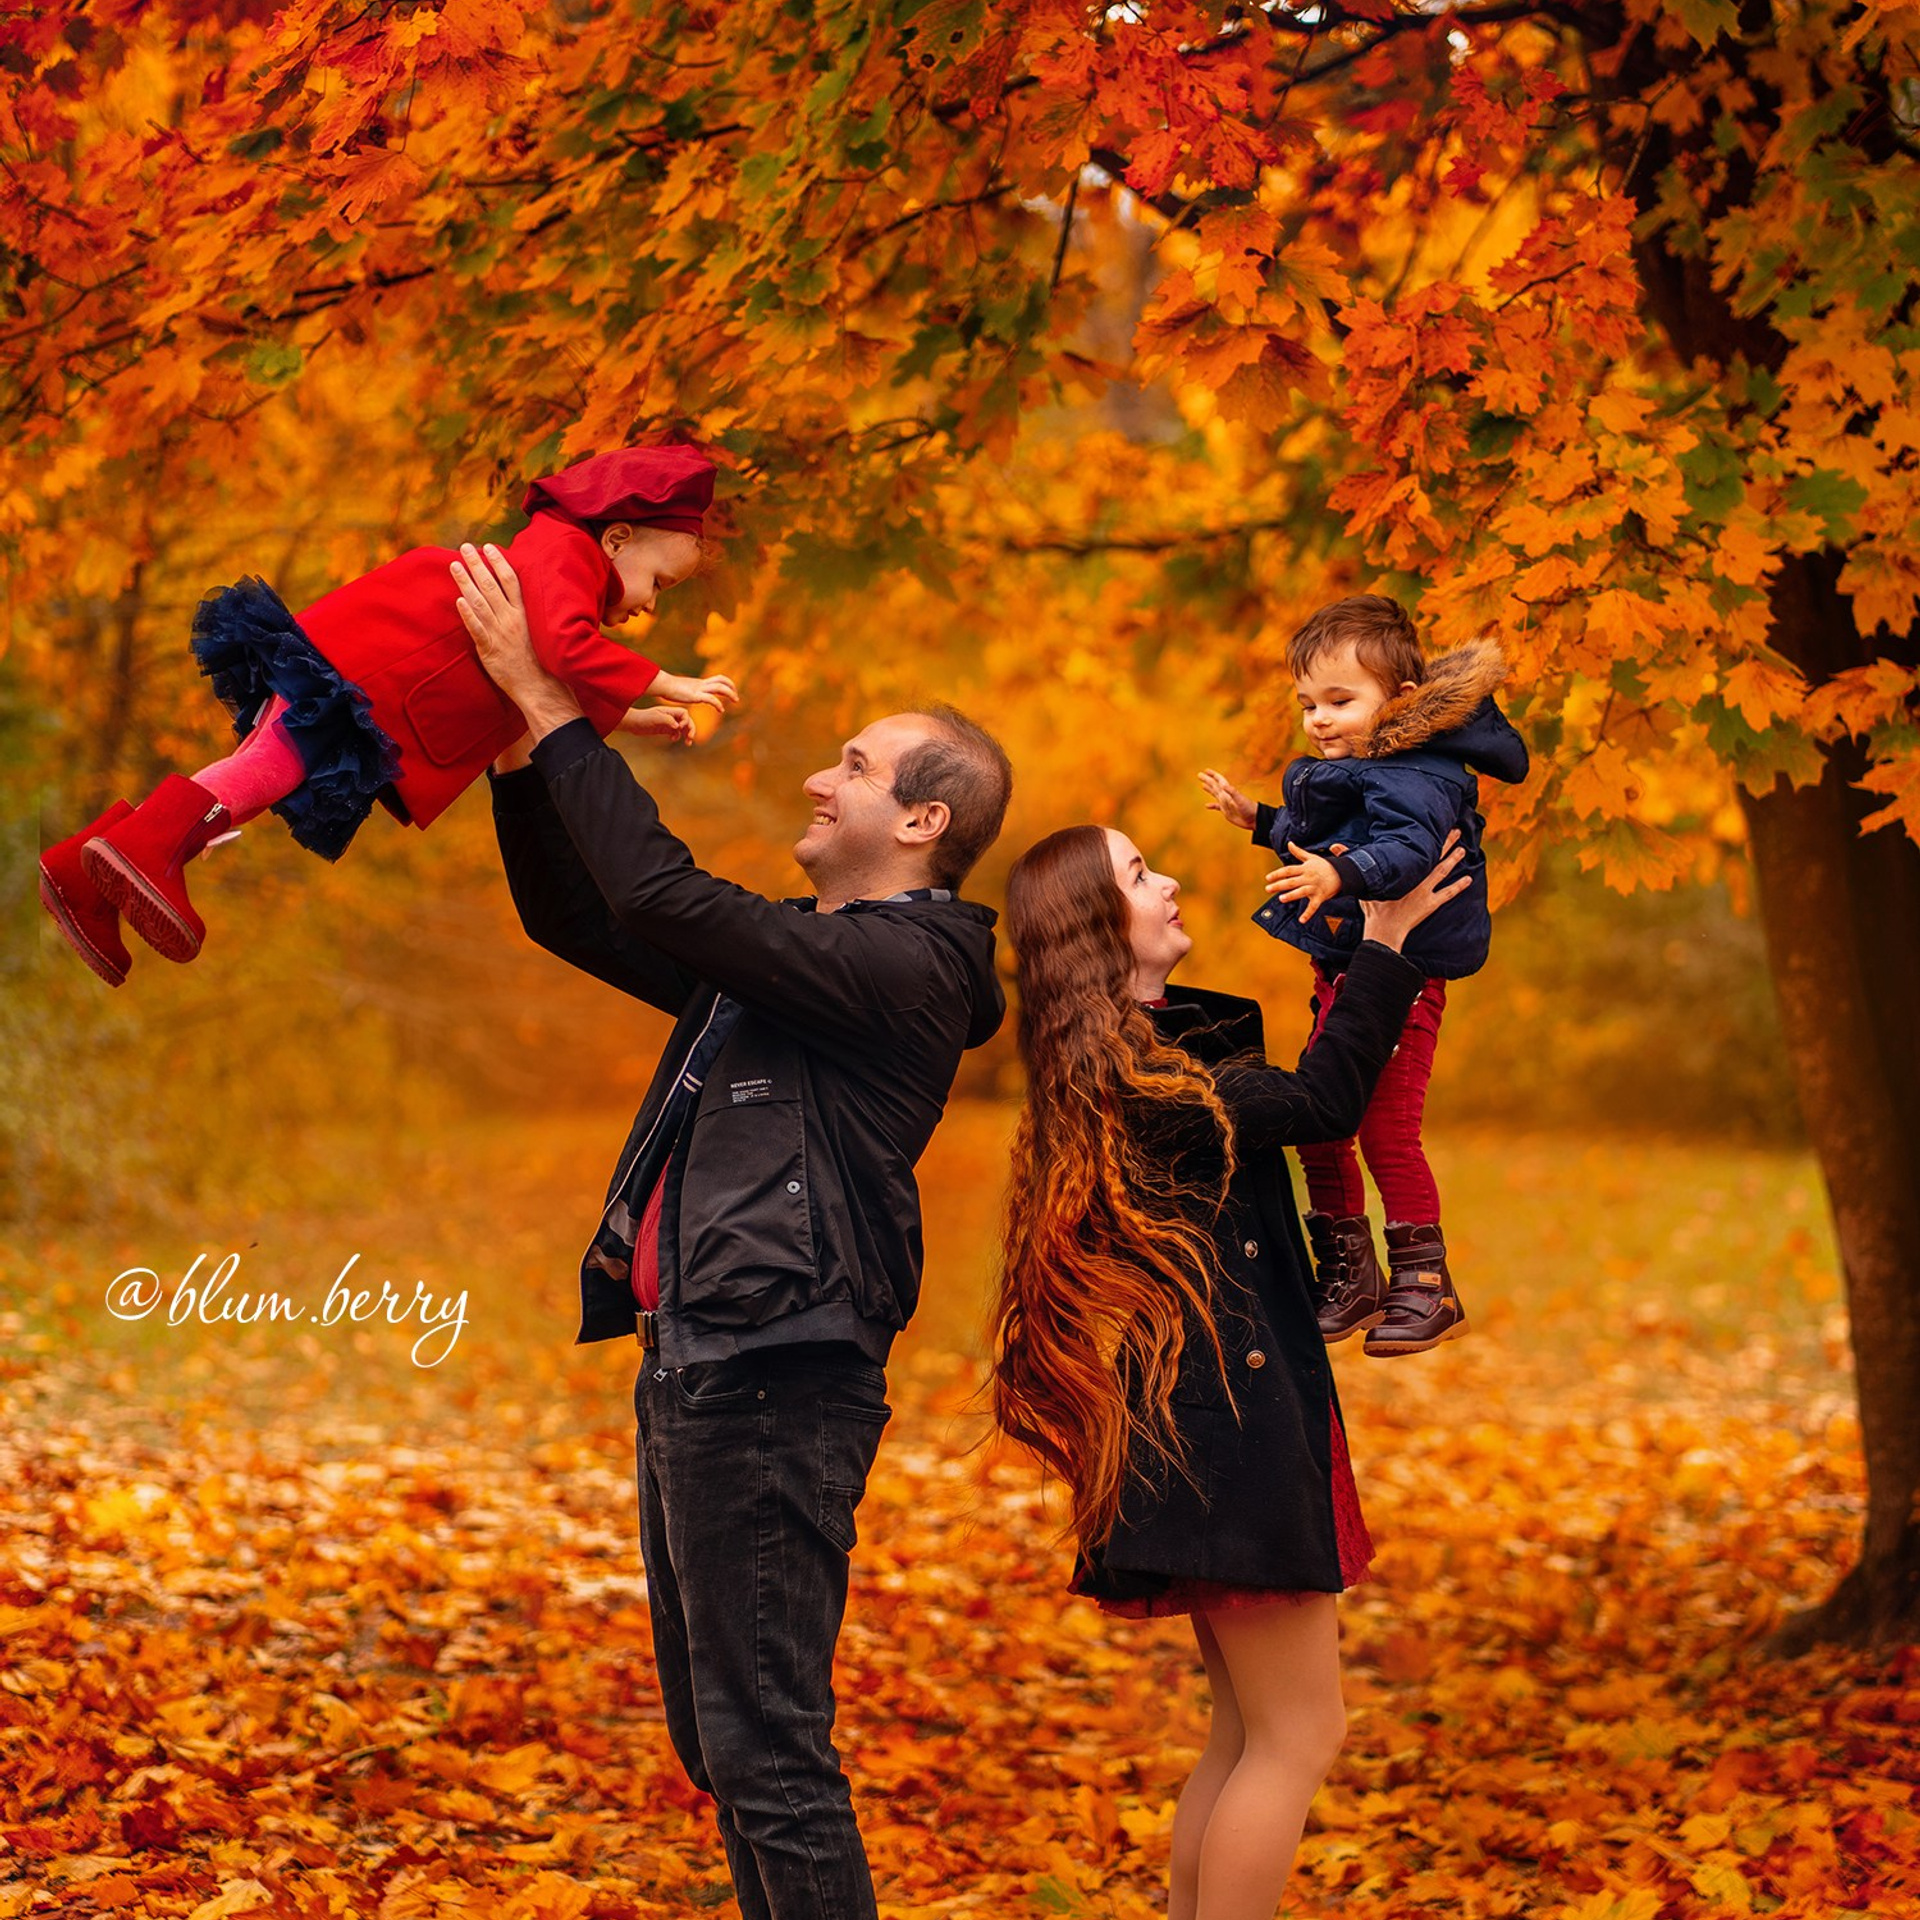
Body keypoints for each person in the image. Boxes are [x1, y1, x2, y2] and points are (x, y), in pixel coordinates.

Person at [449, 538, 1012, 1920]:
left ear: (926, 826)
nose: (823, 780)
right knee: (726, 1745)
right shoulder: (792, 961)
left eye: (858, 768)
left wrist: (550, 701)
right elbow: (584, 912)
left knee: (768, 1753)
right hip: (699, 1357)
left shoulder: (908, 964)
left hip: (781, 1370)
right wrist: (521, 751)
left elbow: (660, 893)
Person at [992, 821, 1468, 1920]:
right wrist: (1389, 945)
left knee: (1250, 1732)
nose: (1166, 886)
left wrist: (1348, 941)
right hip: (1233, 1431)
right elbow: (1317, 1106)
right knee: (1302, 1735)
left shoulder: (1137, 1053)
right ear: (1096, 931)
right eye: (1139, 876)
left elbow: (1289, 1093)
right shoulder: (1148, 1080)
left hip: (1208, 1422)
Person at [38, 443, 737, 983]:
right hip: (378, 671)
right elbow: (559, 645)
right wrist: (664, 681)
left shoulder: (568, 562)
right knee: (274, 764)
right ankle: (143, 849)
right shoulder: (572, 557)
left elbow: (541, 672)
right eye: (659, 582)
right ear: (616, 538)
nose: (650, 604)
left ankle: (82, 868)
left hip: (377, 673)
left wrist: (629, 716)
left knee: (262, 767)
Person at [1198, 593, 1528, 1354]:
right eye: (1308, 702)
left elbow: (1406, 853)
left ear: (1400, 702)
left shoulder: (1420, 774)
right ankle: (1349, 1272)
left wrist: (1343, 879)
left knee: (1384, 1128)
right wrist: (1259, 822)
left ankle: (1424, 1282)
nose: (1318, 718)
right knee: (1320, 1121)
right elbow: (1325, 830)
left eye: (1340, 700)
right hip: (1346, 970)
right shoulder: (1364, 766)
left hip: (1401, 977)